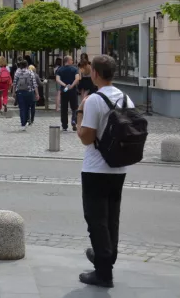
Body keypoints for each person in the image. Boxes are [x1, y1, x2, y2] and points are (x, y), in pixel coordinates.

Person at [75, 55, 135, 288]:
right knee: (112, 218)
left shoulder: (94, 100)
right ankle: (107, 256)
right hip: (119, 167)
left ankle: (103, 271)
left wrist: (79, 115)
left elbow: (86, 138)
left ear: (96, 74)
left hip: (95, 168)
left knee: (96, 219)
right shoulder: (126, 98)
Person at [13, 58, 40, 130]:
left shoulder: (17, 72)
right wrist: (37, 94)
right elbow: (34, 84)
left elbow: (14, 83)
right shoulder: (30, 72)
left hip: (20, 92)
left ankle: (23, 124)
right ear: (27, 65)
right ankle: (27, 120)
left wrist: (13, 92)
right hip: (29, 92)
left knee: (22, 108)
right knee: (28, 107)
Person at [56, 55, 81, 131]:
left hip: (64, 90)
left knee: (64, 107)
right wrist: (72, 85)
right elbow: (77, 79)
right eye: (72, 60)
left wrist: (64, 85)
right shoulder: (74, 69)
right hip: (72, 90)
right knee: (74, 107)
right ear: (68, 61)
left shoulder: (60, 69)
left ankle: (64, 125)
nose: (72, 61)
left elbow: (57, 79)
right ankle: (74, 121)